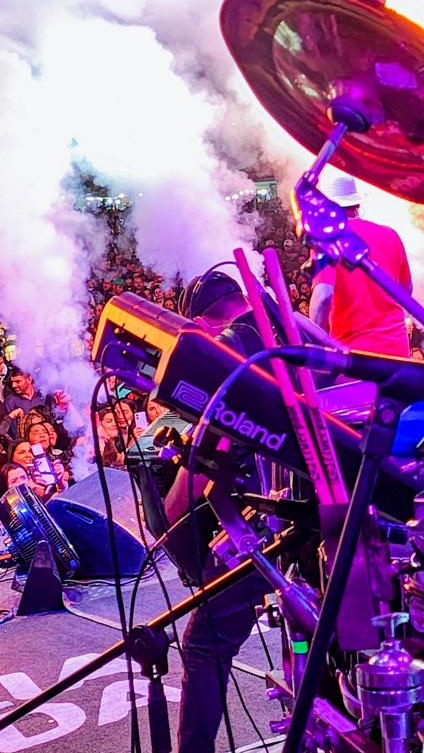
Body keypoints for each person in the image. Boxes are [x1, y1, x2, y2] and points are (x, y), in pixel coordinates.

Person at [164, 269, 276, 753]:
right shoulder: (288, 325)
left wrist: (170, 512)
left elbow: (184, 494)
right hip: (336, 513)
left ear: (202, 325)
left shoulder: (230, 355)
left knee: (204, 644)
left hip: (275, 521)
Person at [306, 173, 413, 356]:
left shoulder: (328, 240)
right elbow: (406, 290)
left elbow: (323, 296)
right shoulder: (390, 234)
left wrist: (313, 345)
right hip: (398, 351)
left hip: (355, 355)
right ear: (356, 204)